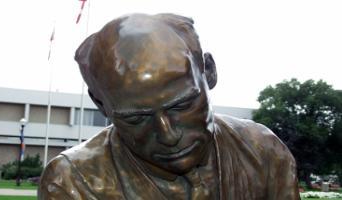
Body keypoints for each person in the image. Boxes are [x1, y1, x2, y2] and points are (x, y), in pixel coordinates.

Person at [38, 13, 300, 200]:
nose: (168, 135)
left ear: (208, 72)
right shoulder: (72, 183)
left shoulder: (264, 153)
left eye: (182, 105)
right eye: (137, 119)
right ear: (100, 104)